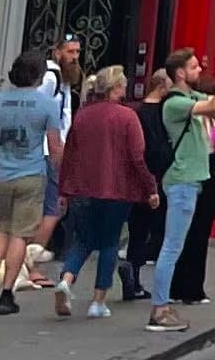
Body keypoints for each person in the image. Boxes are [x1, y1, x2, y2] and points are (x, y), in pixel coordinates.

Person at [46, 65, 152, 320]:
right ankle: (98, 300)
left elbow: (69, 154)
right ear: (116, 88)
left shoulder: (83, 116)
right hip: (116, 190)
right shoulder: (128, 117)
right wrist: (149, 187)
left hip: (82, 189)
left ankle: (67, 279)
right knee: (108, 243)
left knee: (82, 240)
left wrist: (63, 189)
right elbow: (137, 157)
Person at [144, 47, 215, 329]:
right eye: (194, 67)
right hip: (182, 180)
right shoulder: (174, 104)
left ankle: (163, 306)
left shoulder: (188, 97)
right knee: (172, 247)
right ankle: (159, 309)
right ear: (180, 73)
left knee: (175, 245)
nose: (199, 71)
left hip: (190, 180)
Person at [0, 48, 68, 317]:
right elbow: (54, 145)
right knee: (20, 235)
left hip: (1, 174)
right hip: (31, 174)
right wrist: (62, 177)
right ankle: (7, 292)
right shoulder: (46, 105)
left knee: (0, 227)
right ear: (38, 76)